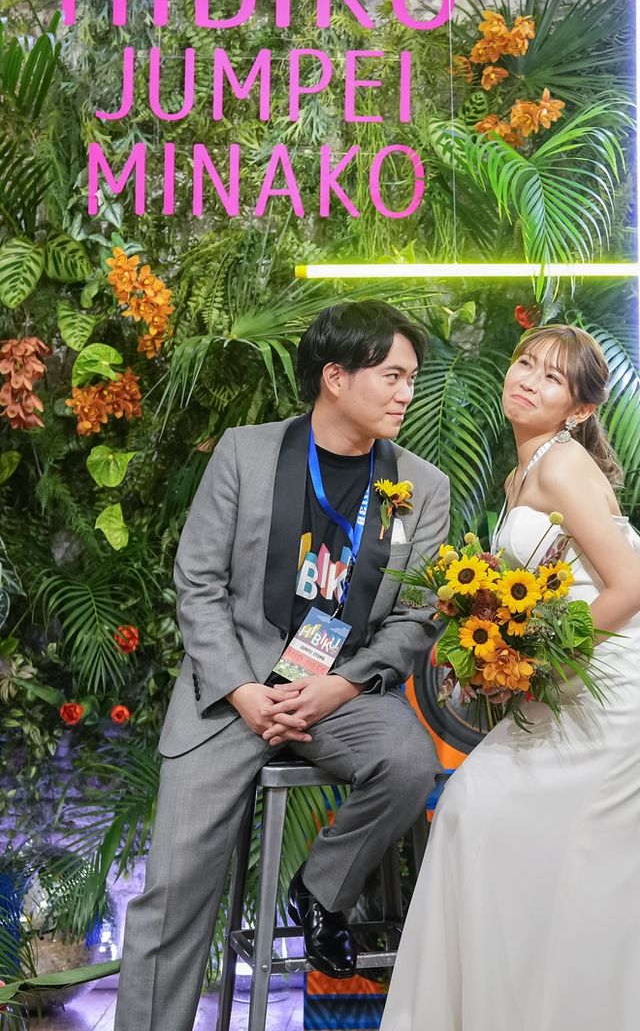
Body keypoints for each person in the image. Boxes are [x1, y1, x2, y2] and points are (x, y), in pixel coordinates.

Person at [114, 301, 450, 1031]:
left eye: (411, 379)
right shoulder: (246, 453)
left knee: (408, 761)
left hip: (340, 691)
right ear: (336, 377)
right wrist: (241, 688)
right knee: (170, 897)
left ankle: (321, 889)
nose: (407, 393)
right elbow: (198, 582)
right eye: (393, 376)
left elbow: (418, 616)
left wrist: (342, 685)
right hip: (231, 693)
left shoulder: (422, 486)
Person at [380, 324, 640, 1031]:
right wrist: (492, 647)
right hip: (565, 683)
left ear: (579, 409)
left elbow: (631, 589)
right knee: (475, 814)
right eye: (525, 363)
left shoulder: (562, 465)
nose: (529, 380)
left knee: (525, 834)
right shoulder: (523, 472)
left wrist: (533, 660)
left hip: (615, 691)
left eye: (552, 377)